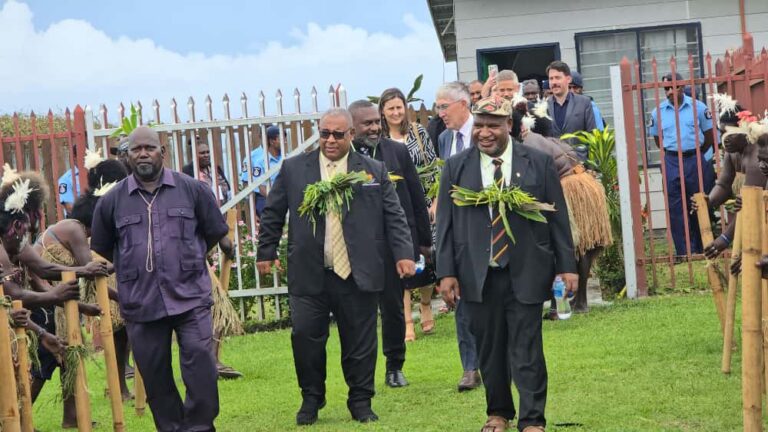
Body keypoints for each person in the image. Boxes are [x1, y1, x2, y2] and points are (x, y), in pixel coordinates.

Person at [256, 108, 415, 425]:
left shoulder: (372, 171)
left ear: (351, 135)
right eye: (324, 133)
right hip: (310, 270)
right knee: (305, 337)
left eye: (338, 134)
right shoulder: (294, 169)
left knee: (360, 342)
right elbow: (273, 211)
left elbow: (394, 216)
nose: (330, 140)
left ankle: (360, 400)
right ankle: (311, 398)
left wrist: (404, 253)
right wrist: (266, 250)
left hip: (357, 272)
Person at [436, 97, 578, 432]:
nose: (484, 133)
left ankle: (532, 420)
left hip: (526, 269)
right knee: (490, 349)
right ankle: (498, 413)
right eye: (479, 125)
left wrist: (567, 266)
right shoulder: (456, 167)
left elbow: (557, 218)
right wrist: (446, 272)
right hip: (477, 273)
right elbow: (445, 225)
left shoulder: (538, 162)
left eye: (493, 126)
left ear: (509, 126)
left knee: (527, 347)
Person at [91, 126, 231, 432]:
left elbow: (212, 233)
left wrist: (185, 259)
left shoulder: (192, 190)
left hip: (189, 297)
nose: (143, 154)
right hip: (141, 302)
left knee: (201, 365)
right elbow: (103, 247)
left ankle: (199, 427)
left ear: (162, 152)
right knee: (155, 377)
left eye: (149, 148)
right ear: (127, 156)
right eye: (136, 149)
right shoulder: (112, 201)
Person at [349, 100, 431, 388]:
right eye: (367, 123)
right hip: (356, 245)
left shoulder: (396, 151)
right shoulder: (344, 158)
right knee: (358, 311)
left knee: (394, 308)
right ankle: (361, 369)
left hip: (392, 242)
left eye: (376, 122)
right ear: (352, 127)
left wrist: (423, 241)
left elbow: (415, 196)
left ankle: (395, 366)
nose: (374, 128)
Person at [34, 159, 132, 402]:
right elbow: (92, 271)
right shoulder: (75, 229)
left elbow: (92, 275)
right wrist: (124, 265)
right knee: (48, 360)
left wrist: (119, 296)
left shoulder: (72, 228)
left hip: (55, 295)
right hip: (43, 298)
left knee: (68, 355)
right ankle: (18, 415)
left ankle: (71, 416)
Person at [521, 101, 613, 313]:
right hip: (586, 184)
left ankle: (564, 304)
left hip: (571, 189)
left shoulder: (530, 141)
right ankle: (580, 302)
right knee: (583, 248)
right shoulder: (551, 140)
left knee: (569, 246)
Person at [379, 87, 438, 340]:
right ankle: (406, 321)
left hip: (423, 204)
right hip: (394, 206)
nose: (396, 112)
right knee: (401, 263)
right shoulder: (380, 140)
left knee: (426, 260)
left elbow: (433, 168)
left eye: (399, 107)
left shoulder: (418, 132)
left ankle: (425, 304)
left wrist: (434, 202)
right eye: (390, 108)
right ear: (382, 111)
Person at [435, 81, 482, 392]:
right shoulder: (444, 139)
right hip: (458, 231)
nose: (440, 113)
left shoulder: (485, 131)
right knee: (462, 303)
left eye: (444, 107)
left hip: (487, 230)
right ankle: (470, 367)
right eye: (437, 107)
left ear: (463, 104)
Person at [648, 72, 715, 256]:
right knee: (675, 205)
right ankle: (684, 251)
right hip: (671, 160)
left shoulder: (698, 108)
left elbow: (709, 136)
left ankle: (702, 247)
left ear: (682, 87)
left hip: (694, 158)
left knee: (698, 202)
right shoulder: (658, 112)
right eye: (666, 89)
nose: (670, 92)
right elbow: (658, 140)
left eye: (674, 87)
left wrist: (695, 153)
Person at [545, 61, 596, 157]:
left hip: (579, 161)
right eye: (551, 78)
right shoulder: (543, 106)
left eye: (557, 78)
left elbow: (592, 136)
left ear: (568, 79)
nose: (554, 82)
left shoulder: (584, 103)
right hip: (554, 162)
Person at [240, 125, 284, 218]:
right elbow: (246, 184)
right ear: (260, 136)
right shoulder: (252, 157)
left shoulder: (283, 156)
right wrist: (252, 210)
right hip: (262, 198)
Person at [182, 137, 232, 202]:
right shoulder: (187, 171)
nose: (206, 155)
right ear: (194, 155)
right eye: (202, 153)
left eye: (208, 152)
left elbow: (228, 187)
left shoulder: (215, 167)